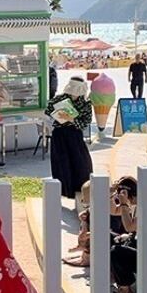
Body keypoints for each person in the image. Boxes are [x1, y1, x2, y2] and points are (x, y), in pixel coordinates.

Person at [43, 77, 93, 206]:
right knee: (61, 164)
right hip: (59, 134)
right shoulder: (59, 99)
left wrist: (71, 119)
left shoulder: (86, 103)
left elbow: (86, 122)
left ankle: (82, 190)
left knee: (81, 163)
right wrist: (57, 114)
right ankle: (64, 190)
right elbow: (47, 111)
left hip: (75, 134)